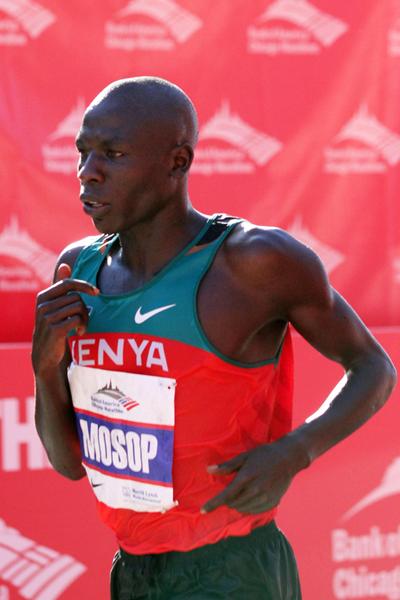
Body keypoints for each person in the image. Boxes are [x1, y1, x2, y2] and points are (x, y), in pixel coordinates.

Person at [32, 76, 396, 600]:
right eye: (83, 152)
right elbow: (69, 464)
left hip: (233, 564)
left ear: (177, 162)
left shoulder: (253, 263)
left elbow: (374, 368)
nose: (88, 174)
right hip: (134, 569)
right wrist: (45, 369)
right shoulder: (77, 273)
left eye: (113, 153)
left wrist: (295, 451)